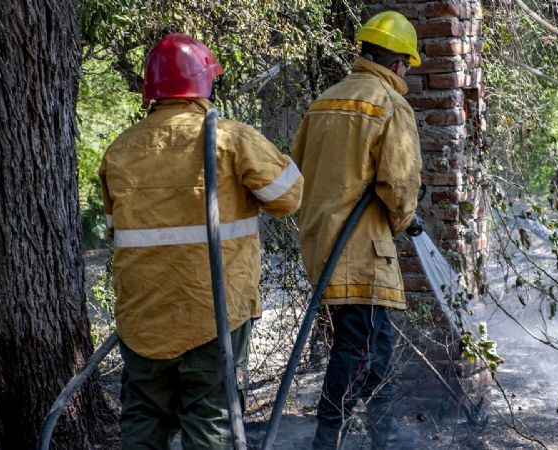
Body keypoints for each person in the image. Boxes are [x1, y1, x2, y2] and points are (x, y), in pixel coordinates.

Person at [99, 33, 303, 449]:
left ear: (151, 90)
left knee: (142, 418)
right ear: (205, 83)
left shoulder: (120, 151)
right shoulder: (231, 139)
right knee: (212, 419)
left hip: (143, 318)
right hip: (214, 314)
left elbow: (115, 229)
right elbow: (289, 197)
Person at [292, 11, 424, 450]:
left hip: (321, 242)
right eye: (406, 64)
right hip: (361, 248)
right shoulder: (388, 102)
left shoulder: (324, 101)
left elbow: (296, 172)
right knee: (361, 349)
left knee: (370, 345)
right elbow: (398, 185)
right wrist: (405, 220)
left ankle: (379, 433)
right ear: (399, 62)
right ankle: (331, 438)